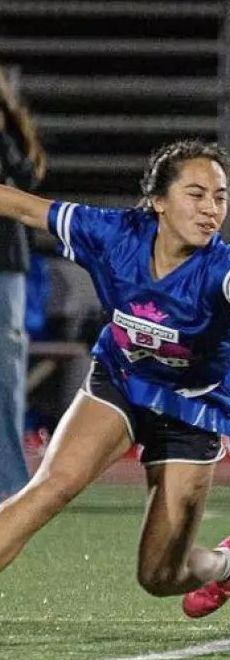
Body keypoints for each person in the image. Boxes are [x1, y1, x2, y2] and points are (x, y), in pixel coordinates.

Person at [0, 139, 230, 618]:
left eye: (220, 197)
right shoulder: (113, 234)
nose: (210, 209)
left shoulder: (220, 267)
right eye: (196, 195)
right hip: (120, 380)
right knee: (50, 488)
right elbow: (23, 206)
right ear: (159, 201)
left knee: (159, 576)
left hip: (191, 412)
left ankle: (225, 562)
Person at [0, 66, 47, 501]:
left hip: (5, 265)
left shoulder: (12, 135)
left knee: (5, 376)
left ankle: (10, 486)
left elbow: (29, 183)